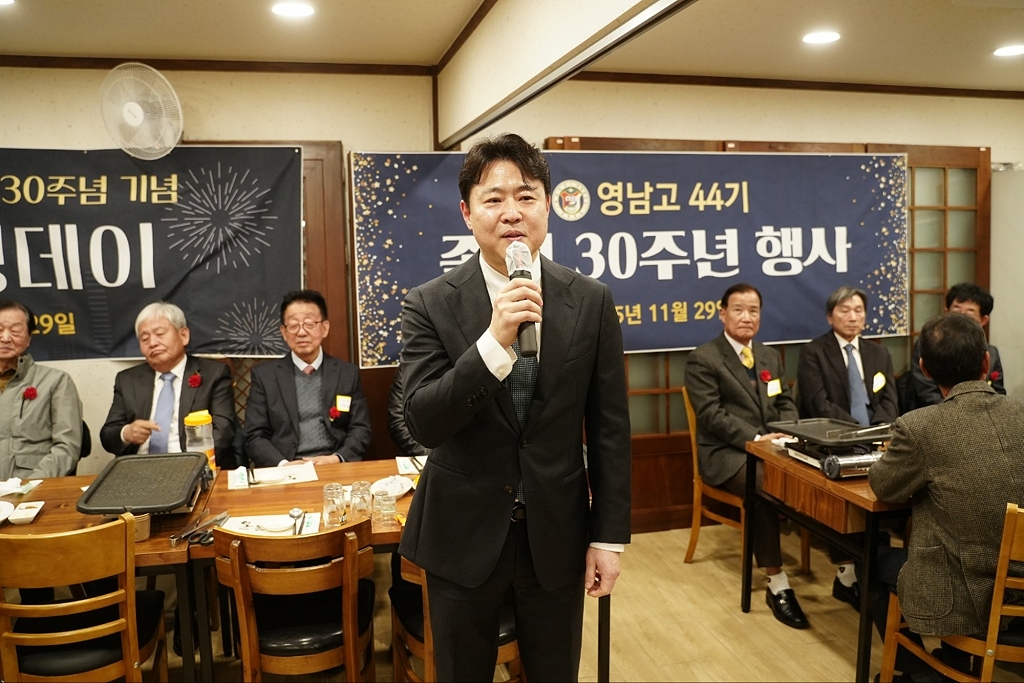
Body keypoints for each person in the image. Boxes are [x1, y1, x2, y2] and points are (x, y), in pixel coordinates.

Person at [398, 133, 631, 681]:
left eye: (526, 196)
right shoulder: (429, 302)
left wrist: (607, 538)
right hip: (461, 533)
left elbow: (610, 429)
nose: (511, 213)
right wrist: (493, 342)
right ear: (467, 212)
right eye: (494, 198)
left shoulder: (590, 299)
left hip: (558, 532)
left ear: (548, 206)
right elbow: (424, 421)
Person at [870, 312, 1024, 681]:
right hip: (1018, 580)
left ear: (924, 369)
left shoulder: (919, 427)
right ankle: (955, 663)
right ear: (985, 362)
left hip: (966, 594)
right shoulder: (1020, 413)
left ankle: (924, 674)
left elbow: (884, 486)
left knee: (869, 560)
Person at [685, 283, 808, 629]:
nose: (746, 317)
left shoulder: (769, 357)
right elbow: (711, 415)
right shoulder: (704, 358)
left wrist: (787, 433)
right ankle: (777, 582)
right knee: (764, 487)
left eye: (753, 310)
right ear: (722, 313)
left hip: (773, 447)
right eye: (738, 309)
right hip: (726, 454)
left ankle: (846, 572)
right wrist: (756, 439)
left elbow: (784, 401)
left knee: (816, 477)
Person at [796, 285, 900, 611]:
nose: (852, 317)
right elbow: (819, 405)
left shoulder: (879, 354)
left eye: (858, 310)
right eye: (844, 310)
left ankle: (873, 571)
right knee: (848, 496)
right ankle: (851, 574)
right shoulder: (814, 352)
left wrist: (877, 431)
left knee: (885, 492)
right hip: (835, 441)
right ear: (830, 317)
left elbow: (889, 400)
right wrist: (858, 433)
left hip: (876, 440)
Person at [245, 289, 371, 467]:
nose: (301, 332)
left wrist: (336, 458)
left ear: (325, 328)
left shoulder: (347, 373)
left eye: (309, 324)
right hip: (286, 468)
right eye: (293, 325)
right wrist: (283, 465)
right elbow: (254, 435)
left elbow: (361, 428)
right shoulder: (265, 376)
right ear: (283, 332)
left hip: (334, 464)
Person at [100, 302, 236, 464]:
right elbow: (108, 435)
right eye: (145, 338)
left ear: (184, 335)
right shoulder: (128, 380)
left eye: (160, 334)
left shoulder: (213, 374)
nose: (152, 343)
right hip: (140, 468)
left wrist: (191, 465)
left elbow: (223, 432)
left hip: (194, 465)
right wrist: (126, 433)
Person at [0, 299, 82, 480]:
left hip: (32, 486)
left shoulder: (56, 381)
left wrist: (31, 484)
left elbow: (67, 447)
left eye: (15, 331)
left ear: (29, 338)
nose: (5, 338)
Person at [910, 283, 1004, 408]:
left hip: (981, 412)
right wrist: (960, 412)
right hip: (937, 412)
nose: (961, 319)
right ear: (946, 312)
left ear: (983, 320)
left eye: (969, 313)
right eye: (956, 311)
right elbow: (927, 392)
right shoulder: (930, 344)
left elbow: (998, 392)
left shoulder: (991, 352)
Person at [387, 363, 428, 458]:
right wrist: (426, 454)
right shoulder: (408, 368)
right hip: (419, 455)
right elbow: (398, 421)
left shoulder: (459, 368)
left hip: (457, 456)